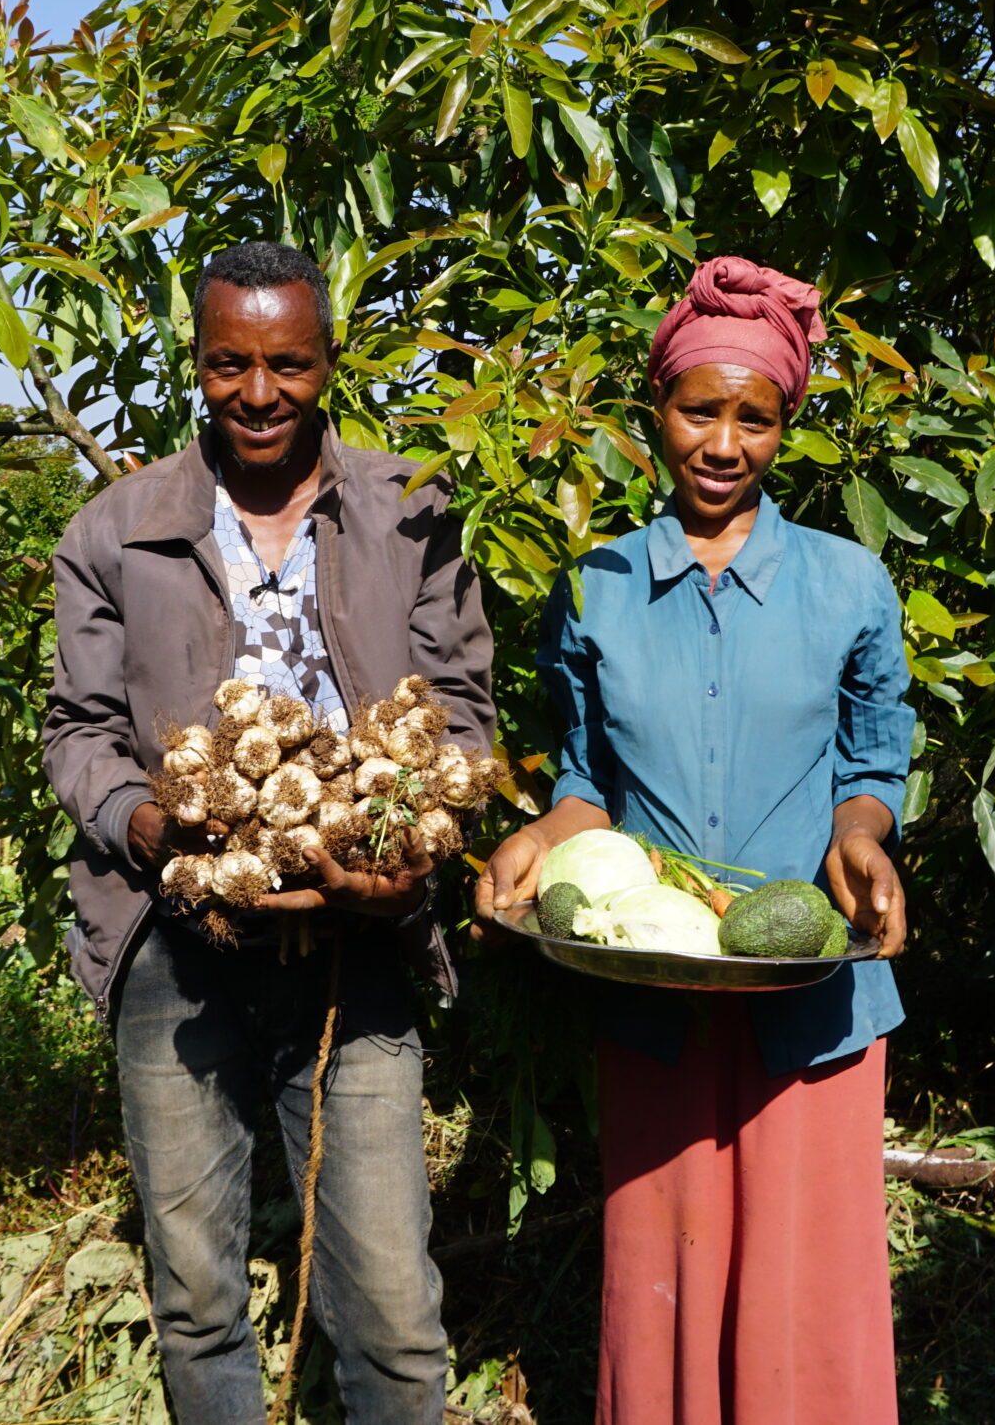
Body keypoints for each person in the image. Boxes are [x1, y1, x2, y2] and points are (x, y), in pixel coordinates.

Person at [45, 239, 494, 1425]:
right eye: (228, 363)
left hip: (361, 938)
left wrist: (405, 865)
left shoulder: (410, 509)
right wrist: (155, 832)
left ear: (327, 361)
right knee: (195, 1295)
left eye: (286, 365)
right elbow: (76, 733)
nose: (257, 394)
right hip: (177, 943)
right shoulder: (115, 532)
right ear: (195, 361)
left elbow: (464, 723)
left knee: (391, 1307)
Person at [476, 255, 912, 1425]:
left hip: (811, 986)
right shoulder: (597, 586)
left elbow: (873, 763)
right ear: (654, 412)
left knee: (803, 1293)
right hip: (654, 981)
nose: (723, 444)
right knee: (665, 1273)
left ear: (788, 425)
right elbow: (585, 781)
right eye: (697, 410)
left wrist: (863, 840)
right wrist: (539, 838)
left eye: (754, 418)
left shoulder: (847, 583)